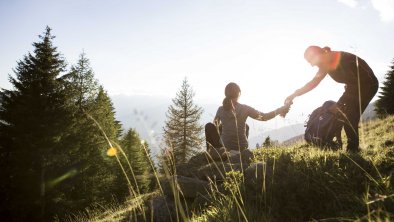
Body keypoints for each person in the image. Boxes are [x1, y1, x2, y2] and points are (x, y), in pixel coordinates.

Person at [285, 46, 379, 152]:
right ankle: (341, 146)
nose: (311, 65)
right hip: (353, 88)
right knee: (344, 115)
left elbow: (356, 82)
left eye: (311, 61)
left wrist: (341, 102)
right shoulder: (325, 64)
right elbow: (312, 83)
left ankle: (353, 150)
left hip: (368, 85)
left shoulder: (342, 59)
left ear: (317, 55)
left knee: (351, 116)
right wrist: (294, 94)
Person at [205, 82, 290, 152]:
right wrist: (280, 110)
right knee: (245, 126)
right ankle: (241, 150)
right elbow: (265, 117)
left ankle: (210, 152)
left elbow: (214, 126)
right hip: (242, 147)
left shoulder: (220, 109)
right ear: (238, 94)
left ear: (226, 94)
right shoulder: (245, 109)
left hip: (225, 146)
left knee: (209, 126)